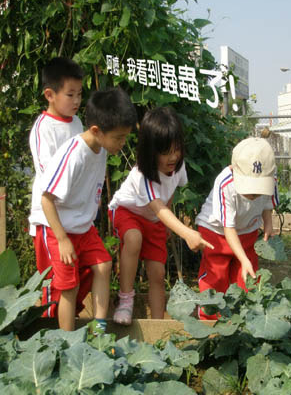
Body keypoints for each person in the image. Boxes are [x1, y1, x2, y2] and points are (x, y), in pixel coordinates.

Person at [32, 87, 137, 331]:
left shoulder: (100, 149)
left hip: (82, 227)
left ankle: (99, 329)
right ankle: (67, 343)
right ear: (96, 130)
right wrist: (62, 239)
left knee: (103, 265)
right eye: (118, 138)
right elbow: (46, 199)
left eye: (125, 138)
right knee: (68, 286)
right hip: (58, 228)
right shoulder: (73, 155)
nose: (122, 144)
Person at [108, 106, 213, 324]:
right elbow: (159, 207)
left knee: (157, 273)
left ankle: (157, 326)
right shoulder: (142, 175)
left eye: (176, 149)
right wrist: (187, 233)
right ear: (150, 151)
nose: (173, 157)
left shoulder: (178, 166)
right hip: (127, 211)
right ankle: (126, 301)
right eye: (165, 152)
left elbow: (170, 194)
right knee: (134, 239)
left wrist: (166, 226)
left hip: (155, 219)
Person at [28, 57, 92, 318]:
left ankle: (67, 322)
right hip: (48, 219)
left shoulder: (77, 123)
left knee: (83, 271)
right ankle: (47, 328)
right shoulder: (43, 129)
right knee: (54, 279)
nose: (76, 101)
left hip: (74, 217)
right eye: (70, 94)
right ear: (49, 95)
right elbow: (50, 176)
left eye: (79, 94)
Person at [195, 137, 279, 320]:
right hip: (216, 233)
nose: (254, 194)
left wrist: (268, 224)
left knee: (246, 280)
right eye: (250, 188)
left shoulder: (272, 178)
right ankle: (210, 323)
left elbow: (267, 203)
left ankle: (241, 323)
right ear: (234, 170)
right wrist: (243, 259)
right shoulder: (225, 183)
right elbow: (228, 228)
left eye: (259, 188)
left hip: (247, 231)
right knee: (216, 277)